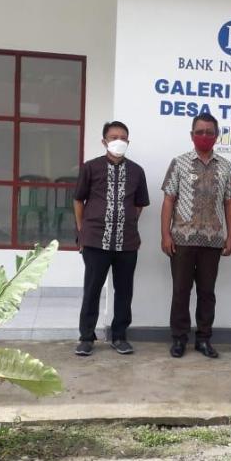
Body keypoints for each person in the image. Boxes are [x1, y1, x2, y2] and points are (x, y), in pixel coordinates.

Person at [160, 112, 231, 359]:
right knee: (180, 291)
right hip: (181, 240)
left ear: (217, 135)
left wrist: (230, 237)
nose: (204, 136)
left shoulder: (225, 166)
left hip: (212, 242)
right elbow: (168, 200)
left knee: (207, 293)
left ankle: (203, 339)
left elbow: (229, 204)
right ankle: (179, 339)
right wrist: (165, 235)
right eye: (200, 132)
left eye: (209, 132)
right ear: (192, 135)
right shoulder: (179, 163)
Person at [74, 121, 150, 356]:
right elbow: (78, 200)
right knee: (92, 290)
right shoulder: (90, 168)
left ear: (128, 142)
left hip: (127, 242)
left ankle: (119, 336)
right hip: (95, 240)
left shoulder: (137, 171)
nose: (119, 141)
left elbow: (139, 204)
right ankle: (86, 337)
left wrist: (126, 222)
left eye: (123, 137)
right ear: (104, 141)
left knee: (124, 291)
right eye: (114, 137)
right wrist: (82, 230)